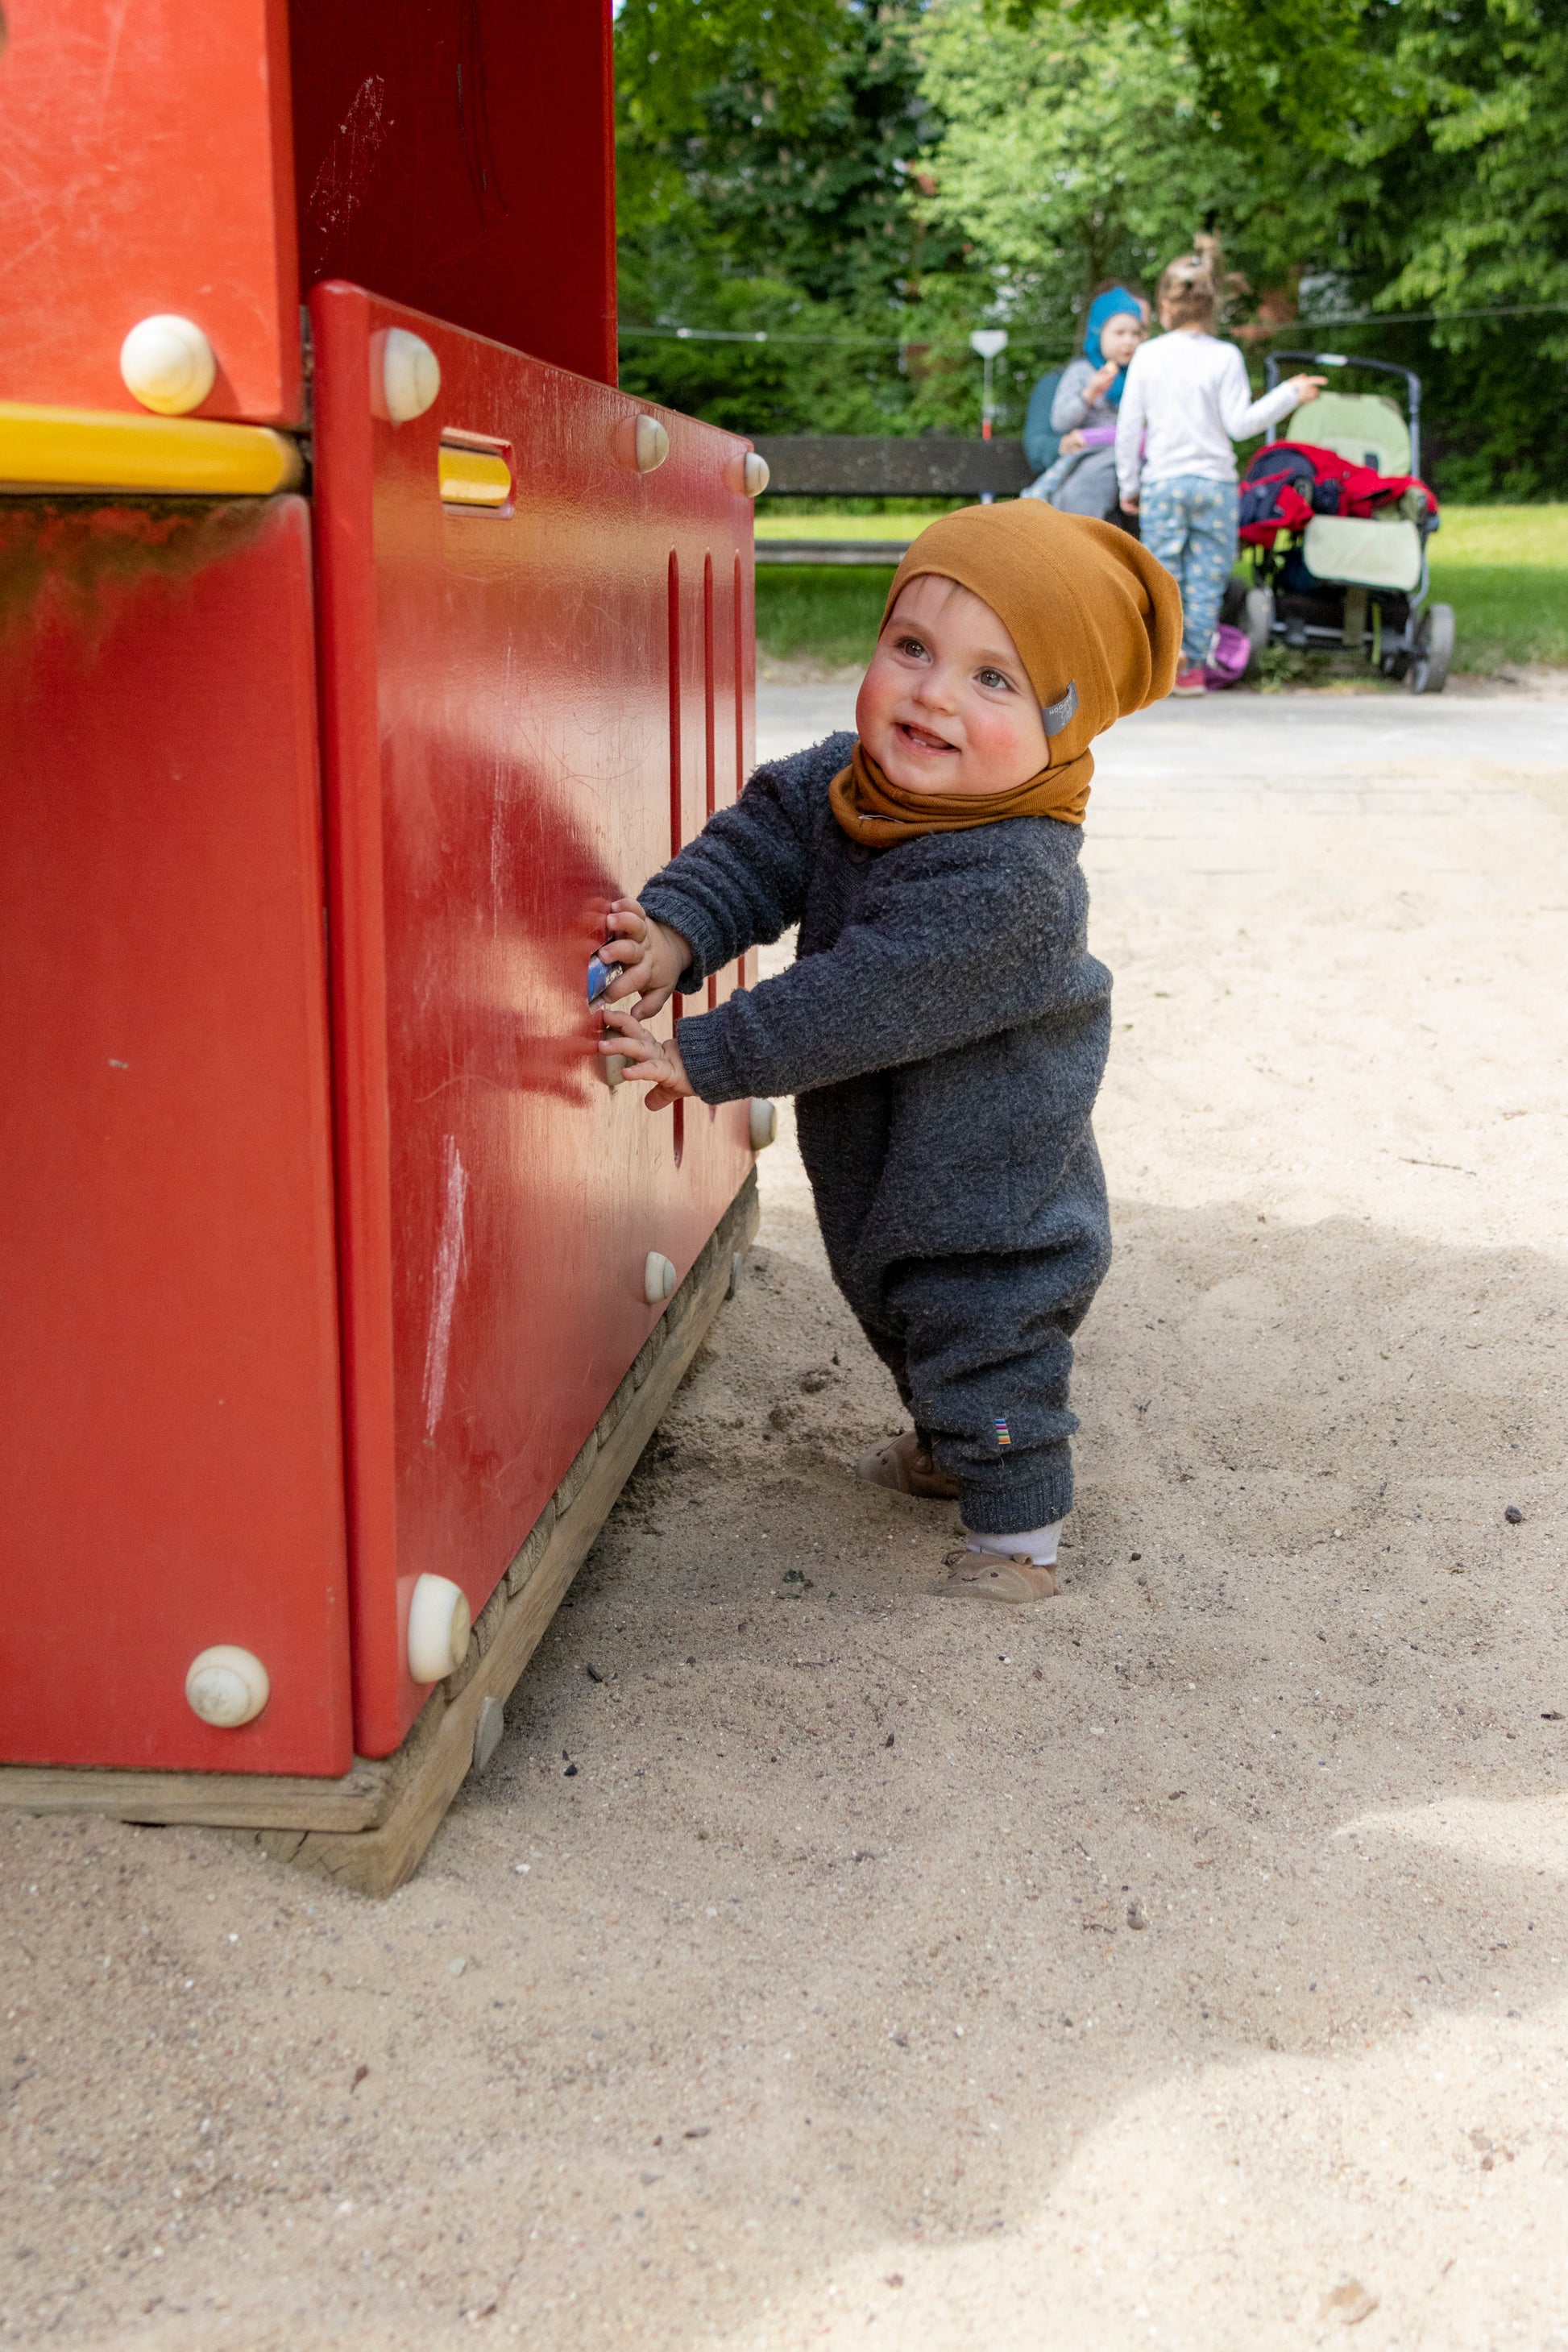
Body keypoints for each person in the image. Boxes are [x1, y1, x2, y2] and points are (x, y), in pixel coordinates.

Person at [593, 504, 1180, 1603]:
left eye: (992, 679)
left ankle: (1019, 1533)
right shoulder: (852, 786)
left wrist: (705, 1053)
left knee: (984, 1345)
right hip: (887, 1159)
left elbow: (860, 998)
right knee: (897, 1312)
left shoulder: (1013, 882)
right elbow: (761, 843)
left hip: (993, 1196)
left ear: (1063, 723)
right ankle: (949, 1448)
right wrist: (677, 929)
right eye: (912, 647)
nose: (932, 694)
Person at [1114, 238, 1325, 694]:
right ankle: (1191, 669)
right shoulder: (1225, 356)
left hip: (1164, 482)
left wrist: (1129, 483)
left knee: (1163, 577)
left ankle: (1162, 664)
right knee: (1207, 580)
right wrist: (1289, 394)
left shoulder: (1149, 355)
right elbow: (1240, 424)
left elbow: (1129, 426)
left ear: (1165, 307)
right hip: (1215, 486)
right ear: (1213, 306)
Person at [1027, 287, 1147, 520]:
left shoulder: (1142, 374)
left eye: (1136, 333)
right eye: (1119, 333)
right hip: (1090, 454)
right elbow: (1060, 422)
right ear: (1098, 333)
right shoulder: (1082, 373)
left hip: (1132, 454)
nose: (1129, 341)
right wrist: (1089, 394)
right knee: (1081, 491)